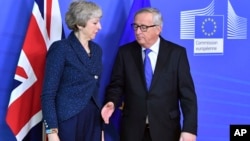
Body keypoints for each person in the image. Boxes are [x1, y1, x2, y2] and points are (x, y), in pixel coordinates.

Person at [101, 7, 197, 141]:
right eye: (135, 26)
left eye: (143, 27)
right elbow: (116, 85)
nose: (138, 32)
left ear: (158, 29)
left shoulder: (176, 54)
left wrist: (189, 129)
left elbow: (188, 96)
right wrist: (111, 102)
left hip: (167, 130)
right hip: (132, 130)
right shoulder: (125, 53)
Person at [41, 1, 103, 141]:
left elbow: (95, 89)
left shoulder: (97, 51)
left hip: (93, 120)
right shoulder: (61, 49)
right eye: (95, 23)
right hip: (68, 120)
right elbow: (48, 94)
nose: (99, 27)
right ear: (80, 24)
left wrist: (101, 129)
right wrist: (51, 131)